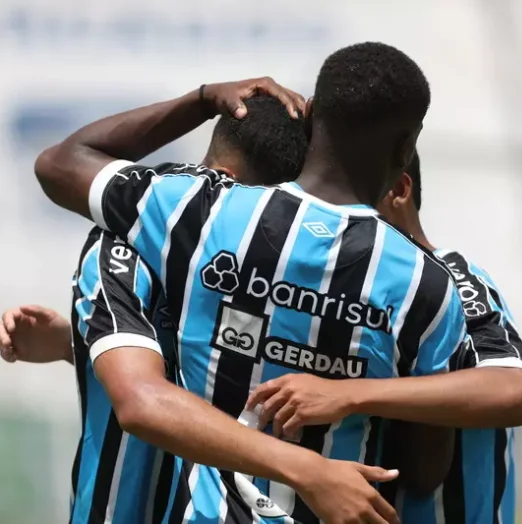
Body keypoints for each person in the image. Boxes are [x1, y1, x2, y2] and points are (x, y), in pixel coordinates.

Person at [33, 43, 468, 524]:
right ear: (407, 147)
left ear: (312, 117)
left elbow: (59, 163)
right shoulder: (428, 285)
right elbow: (422, 473)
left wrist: (200, 101)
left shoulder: (199, 212)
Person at [245, 151, 522, 524]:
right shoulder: (343, 290)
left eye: (346, 195)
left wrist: (344, 395)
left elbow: (514, 391)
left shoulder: (453, 280)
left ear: (398, 191)